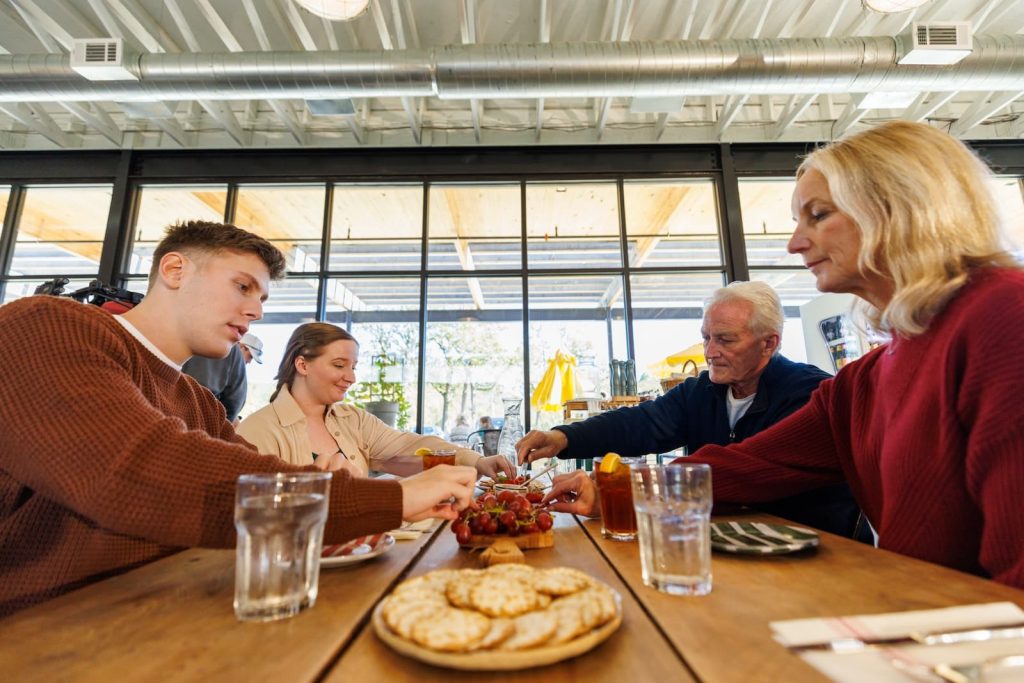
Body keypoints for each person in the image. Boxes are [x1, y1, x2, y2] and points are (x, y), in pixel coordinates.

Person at [539, 121, 1024, 588]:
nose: (795, 243)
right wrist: (612, 487)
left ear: (899, 207)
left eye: (818, 214)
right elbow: (751, 465)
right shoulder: (866, 381)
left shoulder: (1004, 314)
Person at [0, 220, 476, 617]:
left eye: (263, 298)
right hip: (45, 627)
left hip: (166, 611)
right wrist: (389, 497)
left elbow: (261, 489)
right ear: (174, 269)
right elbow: (135, 470)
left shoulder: (198, 400)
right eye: (242, 286)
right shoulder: (47, 326)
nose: (255, 310)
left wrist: (323, 493)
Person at [518, 281, 866, 539]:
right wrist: (563, 437)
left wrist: (620, 491)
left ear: (769, 343)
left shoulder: (810, 393)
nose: (709, 351)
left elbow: (747, 471)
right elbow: (642, 422)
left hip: (818, 553)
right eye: (706, 337)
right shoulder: (702, 391)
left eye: (725, 340)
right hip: (728, 545)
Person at [237, 323, 514, 479]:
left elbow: (410, 447)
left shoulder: (352, 419)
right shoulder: (257, 430)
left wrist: (476, 461)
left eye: (353, 366)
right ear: (302, 364)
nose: (351, 377)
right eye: (339, 365)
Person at [181, 343, 248, 422]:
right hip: (199, 423)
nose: (250, 361)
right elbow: (234, 403)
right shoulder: (231, 349)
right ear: (243, 347)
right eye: (250, 356)